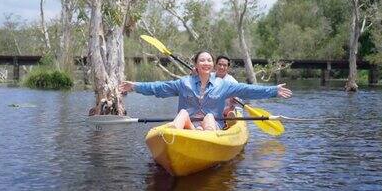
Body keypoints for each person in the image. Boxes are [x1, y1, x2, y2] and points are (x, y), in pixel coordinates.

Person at [119, 51, 292, 131]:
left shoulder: (224, 85)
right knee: (183, 114)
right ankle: (174, 135)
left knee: (209, 116)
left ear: (212, 65)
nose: (207, 63)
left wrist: (273, 90)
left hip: (212, 125)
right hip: (188, 126)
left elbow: (248, 90)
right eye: (202, 60)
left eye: (209, 60)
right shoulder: (184, 82)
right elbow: (158, 88)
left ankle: (203, 138)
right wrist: (135, 86)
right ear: (196, 65)